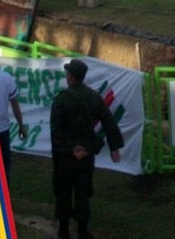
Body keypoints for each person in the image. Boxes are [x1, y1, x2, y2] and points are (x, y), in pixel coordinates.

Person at [50, 59, 125, 239]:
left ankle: (64, 230)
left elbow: (56, 131)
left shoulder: (61, 99)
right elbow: (109, 121)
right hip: (86, 152)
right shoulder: (93, 97)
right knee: (83, 192)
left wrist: (69, 149)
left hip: (66, 155)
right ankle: (83, 231)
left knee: (64, 191)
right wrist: (115, 147)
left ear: (70, 77)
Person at [0, 41, 28, 180]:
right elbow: (15, 105)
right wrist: (21, 126)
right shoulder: (6, 78)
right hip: (1, 129)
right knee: (3, 166)